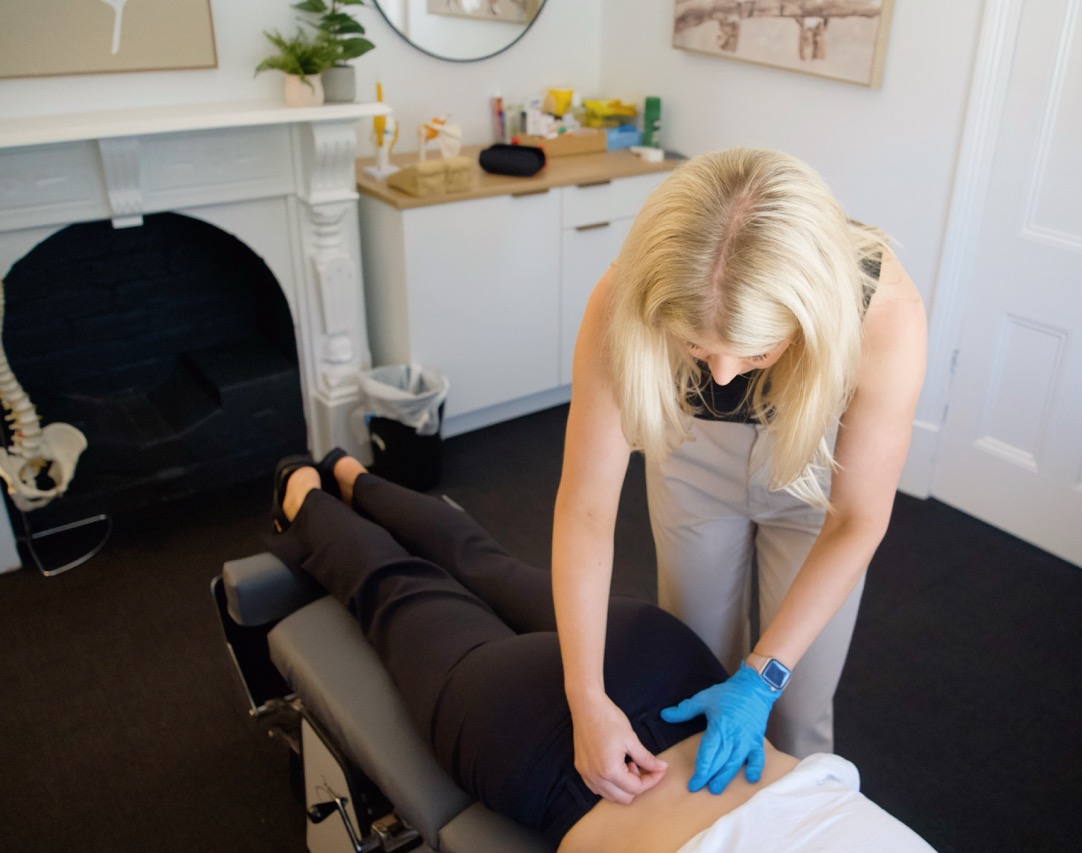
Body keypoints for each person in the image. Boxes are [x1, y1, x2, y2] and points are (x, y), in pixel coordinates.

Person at [267, 453, 935, 852]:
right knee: (399, 595)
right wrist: (585, 701)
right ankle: (303, 492)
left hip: (670, 672)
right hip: (554, 754)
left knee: (486, 564)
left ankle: (355, 475)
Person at [553, 147, 928, 805]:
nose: (723, 375)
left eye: (755, 350)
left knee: (797, 706)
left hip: (817, 470)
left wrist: (763, 675)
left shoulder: (882, 309)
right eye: (696, 346)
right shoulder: (623, 297)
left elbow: (858, 517)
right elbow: (586, 509)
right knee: (693, 665)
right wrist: (586, 696)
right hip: (690, 458)